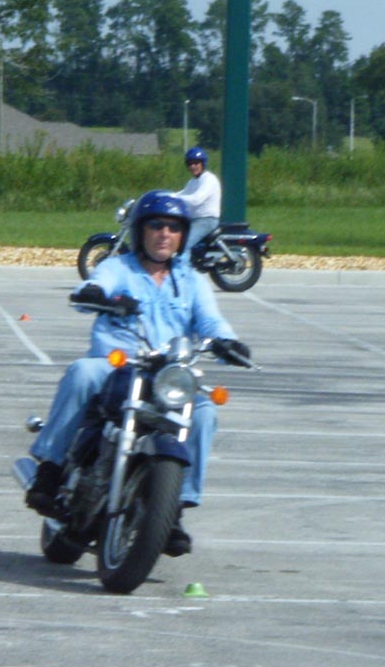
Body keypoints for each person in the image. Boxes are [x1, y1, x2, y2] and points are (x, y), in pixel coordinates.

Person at [24, 189, 250, 557]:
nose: (164, 234)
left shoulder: (191, 280)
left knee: (205, 412)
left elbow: (211, 320)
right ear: (140, 230)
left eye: (174, 228)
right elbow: (93, 286)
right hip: (118, 365)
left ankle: (172, 508)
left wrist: (228, 342)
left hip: (167, 375)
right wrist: (98, 295)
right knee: (82, 372)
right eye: (156, 225)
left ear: (183, 235)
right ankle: (49, 470)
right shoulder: (119, 268)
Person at [176, 146, 221, 250]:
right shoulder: (193, 181)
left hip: (206, 220)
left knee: (183, 244)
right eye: (190, 164)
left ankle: (182, 260)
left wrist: (176, 198)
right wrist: (166, 196)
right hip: (193, 219)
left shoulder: (209, 179)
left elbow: (196, 200)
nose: (193, 166)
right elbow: (182, 193)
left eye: (196, 163)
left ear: (203, 164)